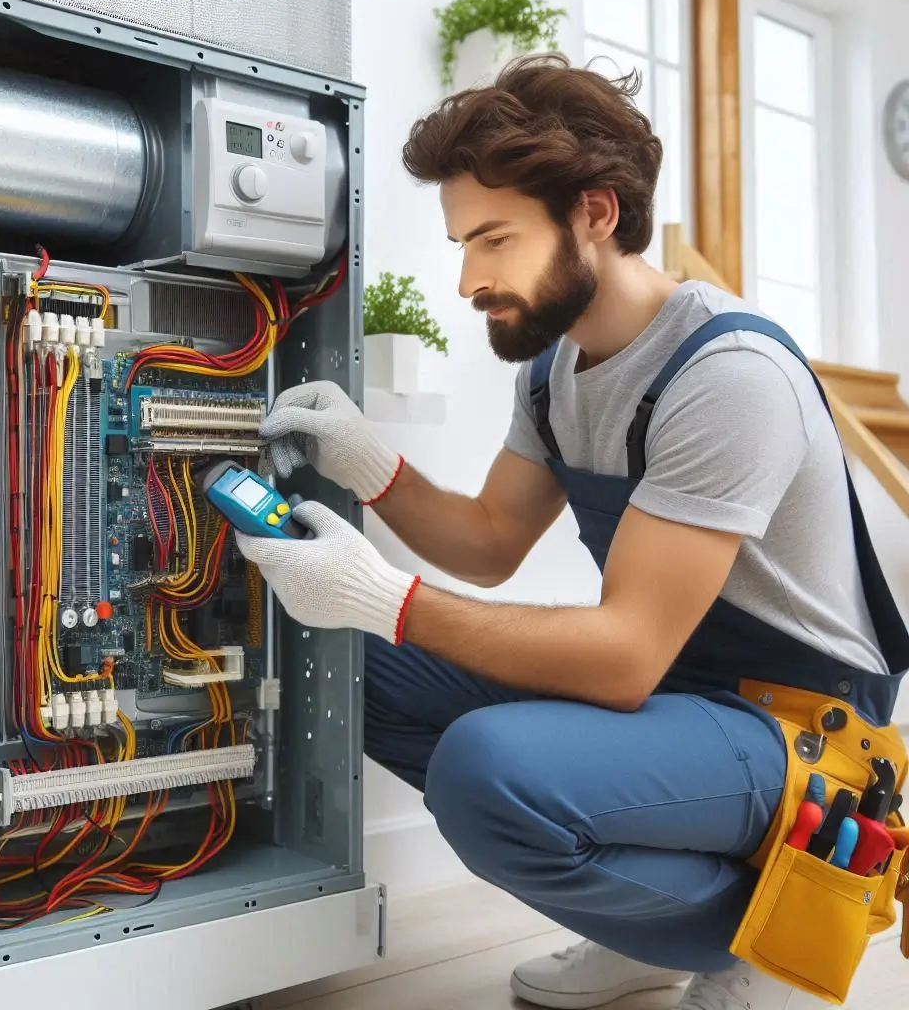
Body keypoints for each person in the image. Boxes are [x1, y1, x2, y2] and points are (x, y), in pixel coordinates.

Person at [235, 55, 907, 1010]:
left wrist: (388, 596)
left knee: (488, 770)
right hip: (683, 703)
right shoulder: (555, 372)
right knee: (348, 656)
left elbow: (626, 653)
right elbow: (490, 539)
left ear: (595, 213)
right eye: (463, 243)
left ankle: (755, 942)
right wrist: (368, 466)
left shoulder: (727, 374)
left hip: (797, 733)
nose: (469, 278)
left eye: (495, 239)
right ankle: (642, 931)